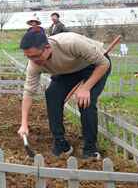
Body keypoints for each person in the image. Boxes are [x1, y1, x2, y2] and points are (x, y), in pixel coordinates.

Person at [17, 29, 111, 160]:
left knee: (85, 101)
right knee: (52, 94)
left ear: (47, 47)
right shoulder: (34, 65)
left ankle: (90, 148)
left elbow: (104, 63)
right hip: (69, 70)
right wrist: (24, 123)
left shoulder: (71, 43)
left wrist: (86, 88)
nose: (33, 60)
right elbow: (28, 93)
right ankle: (61, 144)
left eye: (36, 56)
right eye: (29, 57)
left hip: (94, 65)